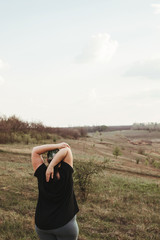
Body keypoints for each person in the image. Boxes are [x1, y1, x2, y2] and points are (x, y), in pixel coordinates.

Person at [31, 142, 79, 240]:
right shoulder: (66, 172)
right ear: (61, 159)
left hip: (43, 225)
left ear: (47, 160)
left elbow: (35, 150)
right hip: (65, 225)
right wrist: (52, 166)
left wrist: (57, 146)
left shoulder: (41, 173)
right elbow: (66, 150)